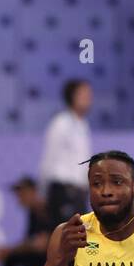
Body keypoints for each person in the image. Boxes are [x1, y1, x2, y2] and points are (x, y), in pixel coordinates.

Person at [39, 79, 92, 223]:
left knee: (83, 239)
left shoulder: (83, 125)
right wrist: (43, 192)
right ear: (72, 96)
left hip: (79, 193)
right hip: (63, 191)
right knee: (66, 237)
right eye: (83, 94)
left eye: (89, 94)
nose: (88, 98)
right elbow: (49, 157)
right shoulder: (60, 123)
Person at [0, 176, 57, 266]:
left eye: (22, 193)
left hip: (63, 255)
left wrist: (9, 251)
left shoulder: (50, 208)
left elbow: (41, 243)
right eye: (18, 194)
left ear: (34, 192)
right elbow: (32, 241)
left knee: (14, 256)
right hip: (47, 257)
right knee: (12, 258)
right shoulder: (33, 214)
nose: (19, 198)